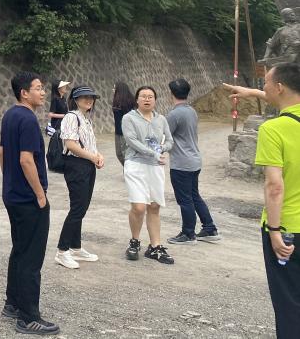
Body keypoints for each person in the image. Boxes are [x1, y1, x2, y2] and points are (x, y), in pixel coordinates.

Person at [225, 64, 299, 338]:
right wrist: (252, 92)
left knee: (289, 304)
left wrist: (275, 231)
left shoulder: (274, 129)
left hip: (289, 229)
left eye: (266, 83)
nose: (263, 87)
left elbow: (275, 186)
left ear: (279, 87)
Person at [0, 71, 60, 336]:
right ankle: (28, 318)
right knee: (31, 258)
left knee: (20, 250)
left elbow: (2, 152)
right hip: (28, 199)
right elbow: (26, 160)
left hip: (13, 195)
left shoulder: (10, 115)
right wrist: (40, 195)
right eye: (37, 88)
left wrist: (9, 181)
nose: (43, 92)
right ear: (24, 93)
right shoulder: (27, 119)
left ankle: (12, 303)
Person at [121, 86, 174, 264]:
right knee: (139, 207)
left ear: (155, 100)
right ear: (137, 100)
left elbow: (170, 140)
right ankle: (134, 241)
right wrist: (153, 152)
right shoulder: (129, 118)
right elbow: (131, 140)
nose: (147, 99)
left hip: (155, 167)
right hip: (135, 164)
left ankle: (155, 247)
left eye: (150, 96)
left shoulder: (161, 119)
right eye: (143, 96)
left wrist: (162, 148)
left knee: (154, 206)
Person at [54, 85, 105, 269]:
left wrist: (98, 156)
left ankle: (75, 247)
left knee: (81, 207)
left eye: (91, 97)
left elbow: (90, 144)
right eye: (84, 97)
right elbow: (71, 145)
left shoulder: (86, 119)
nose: (89, 100)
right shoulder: (71, 117)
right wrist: (92, 157)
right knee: (77, 209)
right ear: (75, 99)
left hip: (87, 165)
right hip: (76, 165)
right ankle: (62, 251)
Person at [165, 78, 220, 245]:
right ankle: (209, 228)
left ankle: (188, 233)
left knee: (185, 200)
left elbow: (164, 136)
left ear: (171, 94)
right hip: (194, 160)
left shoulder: (174, 114)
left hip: (181, 163)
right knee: (194, 196)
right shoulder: (192, 111)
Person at [111, 82, 136, 165]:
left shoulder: (131, 103)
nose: (113, 90)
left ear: (119, 90)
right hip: (118, 132)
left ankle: (129, 170)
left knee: (125, 155)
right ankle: (127, 169)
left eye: (115, 88)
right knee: (119, 154)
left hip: (127, 133)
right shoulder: (117, 102)